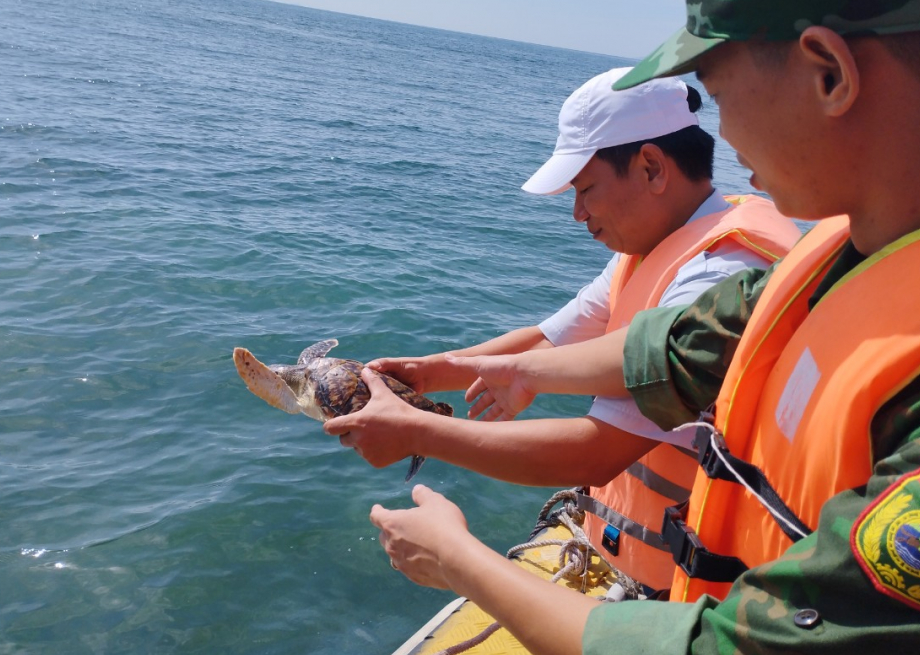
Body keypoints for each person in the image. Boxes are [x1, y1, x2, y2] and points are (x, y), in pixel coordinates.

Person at [364, 0, 920, 655]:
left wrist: (461, 561)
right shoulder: (848, 251)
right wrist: (499, 372)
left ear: (828, 71)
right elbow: (680, 345)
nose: (718, 133)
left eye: (716, 90)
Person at [325, 66, 800, 596]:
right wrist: (428, 372)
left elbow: (596, 452)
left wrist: (418, 433)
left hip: (688, 603)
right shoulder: (661, 243)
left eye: (586, 189)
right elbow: (552, 338)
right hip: (633, 564)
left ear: (650, 167)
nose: (577, 214)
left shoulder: (720, 268)